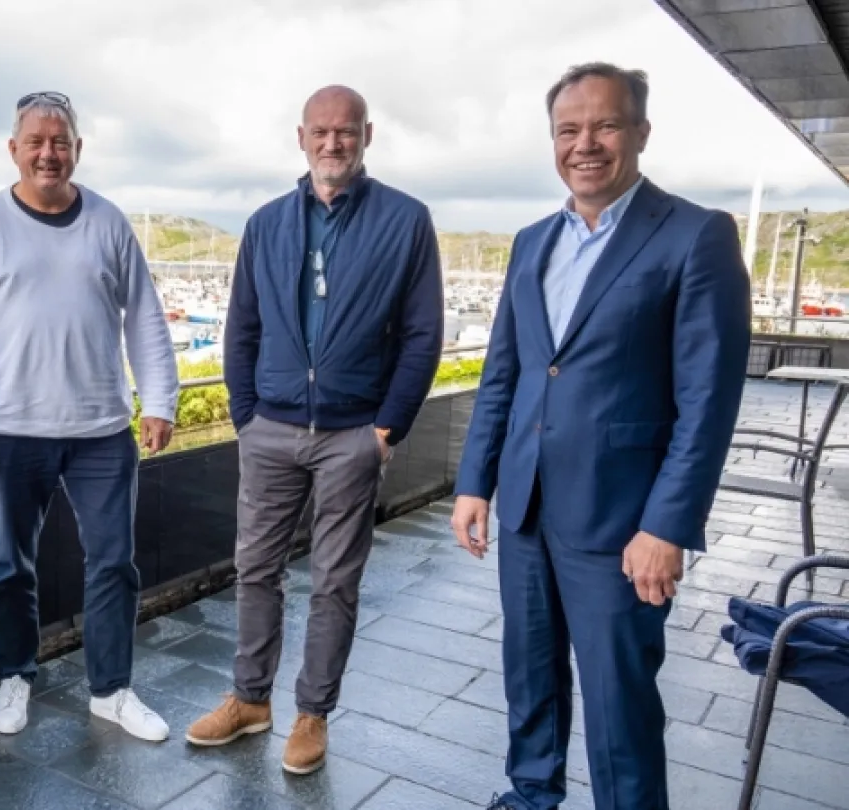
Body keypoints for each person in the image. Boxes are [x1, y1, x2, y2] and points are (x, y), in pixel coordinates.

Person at [450, 62, 751, 810]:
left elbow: (708, 400)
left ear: (641, 132)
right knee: (530, 674)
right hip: (524, 507)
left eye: (605, 125)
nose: (586, 144)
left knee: (619, 703)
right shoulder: (530, 242)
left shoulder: (695, 236)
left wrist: (667, 525)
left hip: (622, 522)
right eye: (568, 129)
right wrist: (472, 482)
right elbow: (505, 376)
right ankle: (530, 795)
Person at [185, 85, 444, 775]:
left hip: (353, 433)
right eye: (321, 132)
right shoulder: (267, 223)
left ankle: (311, 714)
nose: (334, 143)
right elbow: (241, 328)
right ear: (301, 137)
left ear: (367, 135)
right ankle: (249, 700)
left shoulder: (406, 220)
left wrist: (386, 430)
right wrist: (246, 417)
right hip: (270, 427)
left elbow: (423, 337)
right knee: (255, 571)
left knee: (334, 581)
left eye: (347, 132)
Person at [0, 91, 180, 743]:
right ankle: (16, 674)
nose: (49, 152)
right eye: (36, 141)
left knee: (114, 563)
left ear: (77, 149)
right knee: (11, 564)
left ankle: (111, 689)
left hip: (101, 434)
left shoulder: (109, 223)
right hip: (12, 435)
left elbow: (145, 318)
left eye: (60, 141)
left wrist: (159, 400)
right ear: (14, 149)